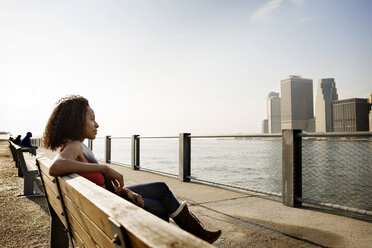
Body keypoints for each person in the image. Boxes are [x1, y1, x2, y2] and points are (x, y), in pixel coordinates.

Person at [42, 95, 221, 244]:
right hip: (106, 207)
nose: (96, 124)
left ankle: (197, 234)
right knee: (160, 205)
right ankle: (196, 235)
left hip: (103, 200)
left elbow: (96, 183)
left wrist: (124, 191)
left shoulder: (75, 145)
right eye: (91, 119)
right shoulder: (74, 145)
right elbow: (56, 166)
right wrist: (105, 167)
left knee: (160, 189)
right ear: (75, 122)